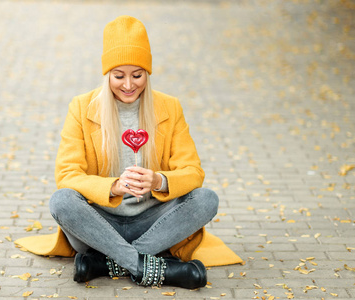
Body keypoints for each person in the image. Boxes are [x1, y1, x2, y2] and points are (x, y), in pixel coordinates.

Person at [15, 15, 242, 289]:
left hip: (154, 221)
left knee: (206, 199)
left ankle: (107, 262)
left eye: (137, 75)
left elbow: (193, 172)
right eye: (118, 76)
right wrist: (114, 187)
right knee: (61, 201)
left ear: (147, 73)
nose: (128, 85)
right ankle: (148, 266)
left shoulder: (169, 107)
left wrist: (159, 181)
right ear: (106, 74)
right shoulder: (81, 107)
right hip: (98, 223)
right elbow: (66, 175)